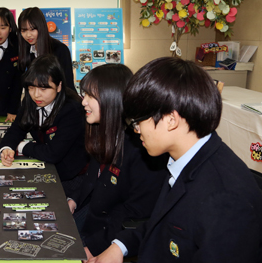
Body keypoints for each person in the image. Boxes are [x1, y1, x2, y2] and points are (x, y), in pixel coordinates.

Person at [90, 57, 262, 263]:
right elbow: (162, 224)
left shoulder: (225, 198)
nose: (136, 131)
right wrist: (119, 247)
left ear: (171, 120)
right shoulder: (187, 159)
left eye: (138, 122)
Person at [70, 64, 167, 260]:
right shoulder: (102, 131)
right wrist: (72, 200)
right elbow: (92, 180)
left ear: (112, 98)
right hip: (91, 218)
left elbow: (132, 214)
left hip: (111, 235)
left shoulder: (142, 149)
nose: (83, 102)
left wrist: (92, 248)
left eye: (90, 96)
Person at [0, 55, 88, 196]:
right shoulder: (30, 102)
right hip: (45, 170)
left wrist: (21, 146)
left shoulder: (71, 110)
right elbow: (16, 129)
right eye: (31, 88)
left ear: (58, 86)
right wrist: (7, 148)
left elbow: (53, 153)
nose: (36, 95)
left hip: (71, 178)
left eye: (44, 89)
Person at [17, 7, 75, 90]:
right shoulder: (26, 51)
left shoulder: (60, 50)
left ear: (41, 27)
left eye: (32, 29)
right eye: (24, 30)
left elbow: (68, 85)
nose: (28, 35)